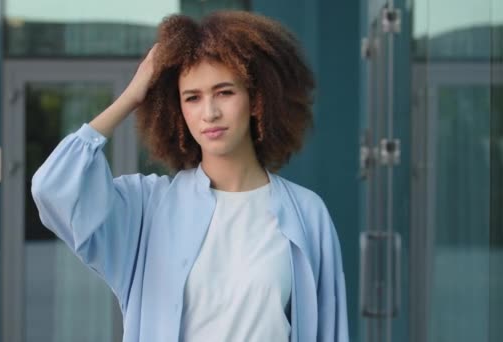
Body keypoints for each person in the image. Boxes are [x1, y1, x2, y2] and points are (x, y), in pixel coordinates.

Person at [31, 10, 348, 342]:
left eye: (225, 92)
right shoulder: (146, 210)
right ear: (177, 110)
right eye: (192, 98)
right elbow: (52, 188)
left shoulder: (307, 214)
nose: (209, 113)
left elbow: (330, 331)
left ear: (256, 101)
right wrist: (132, 96)